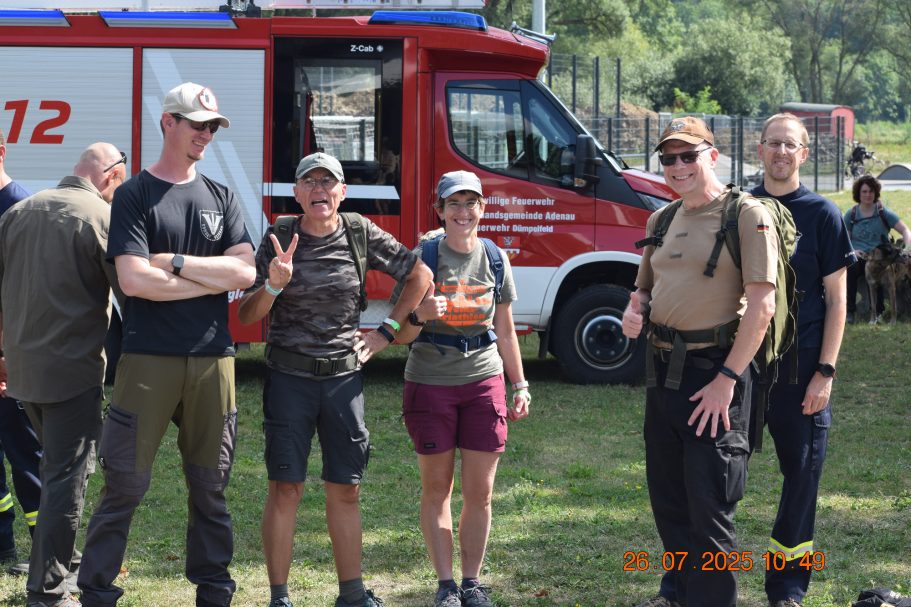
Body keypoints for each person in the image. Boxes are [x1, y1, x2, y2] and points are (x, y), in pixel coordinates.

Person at [77, 82, 256, 607]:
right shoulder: (135, 194)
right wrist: (210, 280)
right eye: (196, 124)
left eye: (211, 127)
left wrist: (174, 263)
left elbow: (246, 272)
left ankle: (214, 592)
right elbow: (133, 281)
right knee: (125, 485)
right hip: (148, 358)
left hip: (213, 360)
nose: (205, 134)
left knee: (211, 486)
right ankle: (97, 592)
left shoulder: (221, 196)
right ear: (168, 122)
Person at [237, 152, 432, 607]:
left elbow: (420, 274)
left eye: (328, 182)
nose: (319, 189)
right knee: (285, 487)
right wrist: (273, 284)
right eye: (310, 182)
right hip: (289, 380)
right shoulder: (279, 236)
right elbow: (246, 314)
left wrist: (386, 331)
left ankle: (352, 595)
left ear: (342, 192)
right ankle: (279, 598)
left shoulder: (360, 232)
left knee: (346, 488)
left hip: (343, 380)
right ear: (297, 192)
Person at [623, 116, 778, 607]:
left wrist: (727, 380)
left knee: (710, 512)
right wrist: (634, 310)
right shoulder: (661, 219)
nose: (678, 166)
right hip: (663, 375)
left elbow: (763, 305)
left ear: (712, 156)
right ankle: (681, 597)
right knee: (670, 507)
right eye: (669, 158)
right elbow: (643, 290)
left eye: (688, 155)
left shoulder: (746, 215)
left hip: (716, 374)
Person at [391, 170, 530, 607]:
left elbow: (505, 330)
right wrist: (421, 315)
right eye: (454, 203)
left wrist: (520, 383)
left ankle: (472, 582)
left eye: (471, 203)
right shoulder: (424, 259)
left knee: (481, 493)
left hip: (484, 383)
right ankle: (446, 585)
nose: (463, 212)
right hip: (430, 383)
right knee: (437, 490)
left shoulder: (495, 258)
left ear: (482, 209)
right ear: (440, 209)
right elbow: (398, 334)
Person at [0, 142, 126, 607]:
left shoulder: (19, 212)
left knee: (54, 468)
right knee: (67, 480)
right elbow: (129, 292)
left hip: (23, 372)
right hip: (72, 373)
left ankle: (65, 564)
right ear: (112, 176)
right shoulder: (100, 217)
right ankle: (48, 591)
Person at [751, 113, 855, 607]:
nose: (781, 152)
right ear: (759, 149)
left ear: (804, 154)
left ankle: (787, 588)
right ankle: (700, 580)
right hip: (744, 368)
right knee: (714, 476)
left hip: (802, 369)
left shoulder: (823, 215)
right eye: (773, 143)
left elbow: (838, 301)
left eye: (790, 145)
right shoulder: (742, 208)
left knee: (803, 478)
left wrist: (825, 372)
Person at [0, 127, 43, 578]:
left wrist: (8, 353)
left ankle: (47, 550)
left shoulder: (20, 206)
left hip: (10, 355)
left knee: (26, 454)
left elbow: (28, 292)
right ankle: (2, 545)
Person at [843, 174, 911, 323]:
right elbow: (843, 239)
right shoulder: (851, 214)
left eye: (871, 191)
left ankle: (878, 312)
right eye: (864, 191)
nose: (868, 195)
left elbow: (905, 230)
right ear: (858, 193)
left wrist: (907, 248)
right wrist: (852, 251)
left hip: (880, 257)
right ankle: (850, 312)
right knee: (851, 268)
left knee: (881, 269)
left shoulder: (883, 213)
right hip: (859, 256)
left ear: (876, 193)